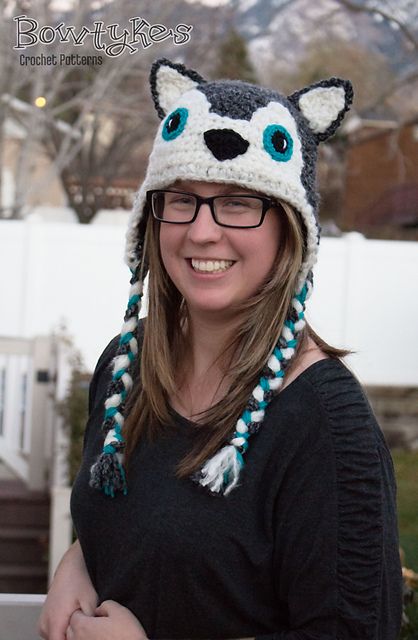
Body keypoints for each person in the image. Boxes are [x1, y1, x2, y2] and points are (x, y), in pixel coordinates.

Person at [38, 58, 403, 640]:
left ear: (290, 230)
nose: (202, 231)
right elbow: (140, 528)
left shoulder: (326, 426)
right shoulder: (123, 371)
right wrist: (78, 562)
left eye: (238, 201)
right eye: (181, 198)